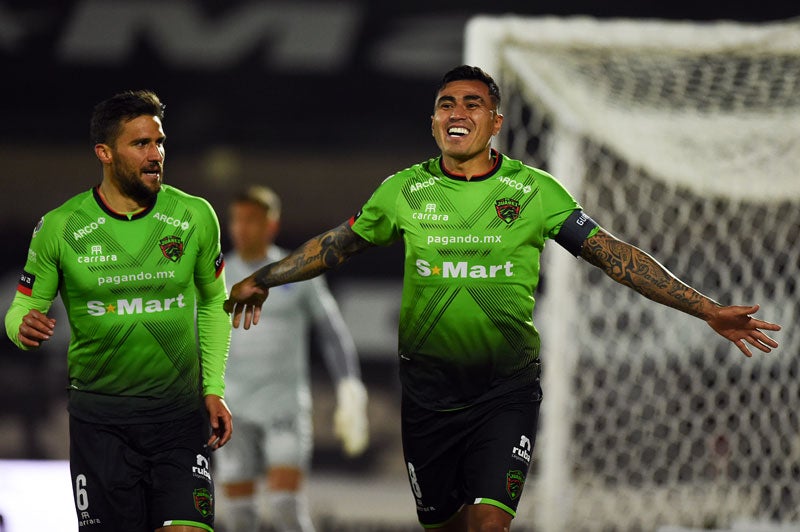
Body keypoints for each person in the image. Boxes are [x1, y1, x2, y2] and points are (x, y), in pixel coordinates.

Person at [222, 66, 781, 531]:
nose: (456, 112)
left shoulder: (535, 192)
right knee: (444, 525)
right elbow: (336, 246)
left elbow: (614, 255)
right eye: (446, 104)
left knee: (489, 524)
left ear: (495, 121)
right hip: (428, 397)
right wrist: (264, 277)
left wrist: (705, 307)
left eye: (472, 103)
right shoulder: (402, 192)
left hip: (504, 392)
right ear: (434, 121)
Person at [4, 90, 233, 532]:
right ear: (104, 153)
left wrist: (214, 387)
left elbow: (212, 303)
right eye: (141, 144)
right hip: (101, 426)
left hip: (178, 422)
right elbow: (21, 307)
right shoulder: (61, 227)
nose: (156, 155)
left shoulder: (194, 216)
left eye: (159, 142)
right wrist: (21, 327)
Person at [216, 185, 368, 532]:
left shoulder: (297, 271)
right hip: (233, 408)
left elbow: (332, 332)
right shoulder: (218, 276)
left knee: (285, 509)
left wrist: (350, 388)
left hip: (284, 406)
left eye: (251, 220)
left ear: (271, 225)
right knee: (239, 516)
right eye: (237, 220)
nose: (241, 228)